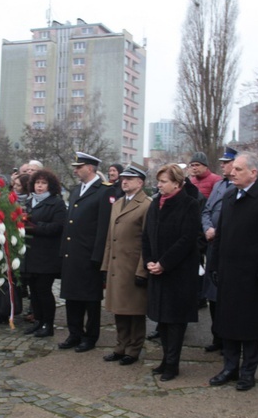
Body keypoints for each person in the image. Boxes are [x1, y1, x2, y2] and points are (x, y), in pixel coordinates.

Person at [207, 153, 258, 390]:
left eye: (238, 169)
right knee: (228, 324)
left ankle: (248, 372)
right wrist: (215, 265)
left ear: (253, 172)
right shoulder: (229, 197)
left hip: (253, 276)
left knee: (250, 327)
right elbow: (220, 235)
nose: (232, 173)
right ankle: (230, 367)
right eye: (233, 169)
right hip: (229, 274)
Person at [143, 163, 201, 381]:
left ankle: (172, 364)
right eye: (158, 181)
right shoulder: (156, 203)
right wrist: (149, 261)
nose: (159, 185)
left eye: (163, 181)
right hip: (157, 271)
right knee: (162, 321)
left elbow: (187, 239)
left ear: (177, 183)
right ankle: (165, 359)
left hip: (178, 273)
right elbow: (146, 235)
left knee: (175, 321)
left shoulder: (189, 205)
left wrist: (164, 263)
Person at [58, 152, 115, 352]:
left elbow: (103, 228)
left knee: (90, 300)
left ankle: (90, 337)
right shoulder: (75, 191)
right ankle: (75, 333)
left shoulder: (104, 191)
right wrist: (63, 251)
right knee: (71, 298)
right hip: (72, 254)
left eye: (78, 166)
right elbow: (69, 223)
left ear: (90, 168)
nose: (75, 170)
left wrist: (98, 257)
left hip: (89, 255)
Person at [101, 162, 151, 365]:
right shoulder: (117, 204)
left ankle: (133, 349)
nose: (124, 181)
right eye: (123, 178)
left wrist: (142, 270)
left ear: (140, 182)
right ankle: (120, 346)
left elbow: (147, 241)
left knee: (135, 311)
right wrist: (105, 266)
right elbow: (109, 238)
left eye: (129, 179)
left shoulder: (147, 204)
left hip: (132, 267)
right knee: (119, 309)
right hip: (116, 266)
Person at [20, 169, 66, 337]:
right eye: (37, 183)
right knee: (34, 291)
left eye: (43, 183)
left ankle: (48, 324)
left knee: (44, 290)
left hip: (47, 255)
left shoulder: (56, 203)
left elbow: (58, 227)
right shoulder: (30, 201)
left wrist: (34, 227)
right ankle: (38, 321)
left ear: (50, 185)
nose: (40, 186)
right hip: (30, 254)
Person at [202, 146, 237, 352]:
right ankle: (217, 337)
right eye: (222, 163)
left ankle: (228, 338)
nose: (222, 165)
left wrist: (220, 231)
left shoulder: (239, 187)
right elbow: (207, 210)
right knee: (212, 294)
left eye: (226, 162)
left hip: (228, 247)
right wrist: (207, 227)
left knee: (227, 296)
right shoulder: (218, 185)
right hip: (212, 246)